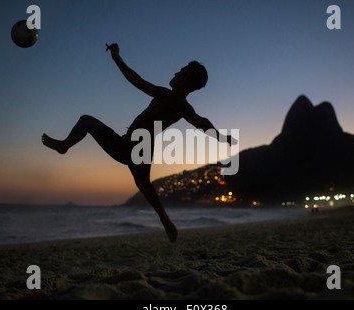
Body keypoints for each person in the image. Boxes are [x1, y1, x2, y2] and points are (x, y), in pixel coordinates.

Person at [42, 43, 235, 243]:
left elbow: (201, 122)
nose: (176, 72)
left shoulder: (180, 104)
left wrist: (221, 137)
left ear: (185, 81)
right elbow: (138, 81)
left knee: (143, 184)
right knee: (89, 124)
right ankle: (165, 220)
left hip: (140, 148)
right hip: (127, 144)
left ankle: (165, 219)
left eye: (181, 72)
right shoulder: (163, 94)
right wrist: (117, 58)